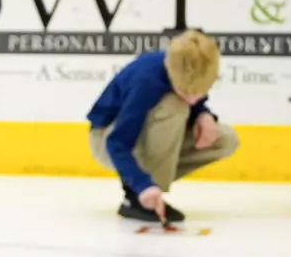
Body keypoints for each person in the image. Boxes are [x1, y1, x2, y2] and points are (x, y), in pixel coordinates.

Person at [85, 30, 238, 223]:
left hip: (140, 138)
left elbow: (193, 98)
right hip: (106, 138)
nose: (192, 99)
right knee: (175, 107)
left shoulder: (189, 71)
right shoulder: (146, 82)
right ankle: (138, 198)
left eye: (199, 93)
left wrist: (203, 112)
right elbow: (116, 142)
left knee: (225, 139)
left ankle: (148, 186)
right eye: (185, 92)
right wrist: (142, 185)